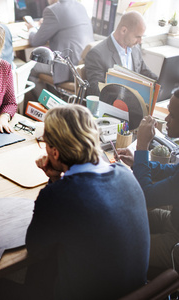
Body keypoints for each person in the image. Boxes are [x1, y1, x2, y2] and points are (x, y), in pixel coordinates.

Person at [26, 105, 150, 299]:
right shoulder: (125, 173)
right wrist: (57, 179)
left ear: (55, 153)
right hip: (140, 292)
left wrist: (53, 183)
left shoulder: (58, 195)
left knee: (37, 272)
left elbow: (35, 248)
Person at [117, 89, 179, 271]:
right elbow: (171, 170)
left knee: (119, 246)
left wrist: (142, 146)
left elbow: (146, 196)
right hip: (174, 222)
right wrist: (140, 162)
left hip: (176, 243)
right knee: (122, 217)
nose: (166, 119)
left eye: (173, 116)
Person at [85, 10, 158, 96]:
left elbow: (145, 73)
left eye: (142, 37)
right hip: (113, 105)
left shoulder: (135, 49)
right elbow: (96, 91)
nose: (140, 41)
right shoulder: (96, 55)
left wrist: (161, 84)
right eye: (137, 36)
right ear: (124, 30)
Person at [26, 0, 93, 90]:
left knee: (30, 68)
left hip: (68, 67)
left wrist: (31, 29)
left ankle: (45, 102)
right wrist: (46, 24)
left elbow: (35, 41)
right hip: (83, 66)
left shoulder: (52, 10)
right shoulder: (80, 6)